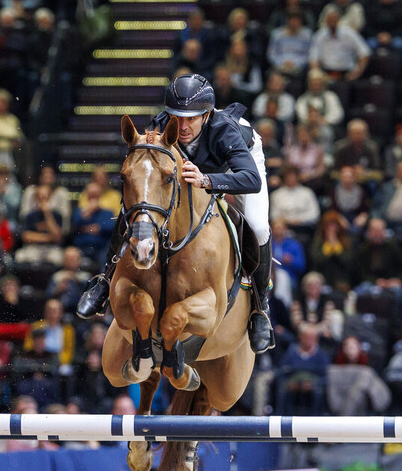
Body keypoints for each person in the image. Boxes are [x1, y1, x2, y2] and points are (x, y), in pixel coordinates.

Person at [76, 74, 275, 353]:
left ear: (206, 115)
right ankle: (104, 280)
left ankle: (261, 308)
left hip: (236, 164)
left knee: (258, 225)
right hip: (193, 168)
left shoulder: (225, 131)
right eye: (176, 117)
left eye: (190, 119)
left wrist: (207, 180)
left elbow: (251, 180)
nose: (182, 126)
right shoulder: (159, 127)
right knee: (139, 205)